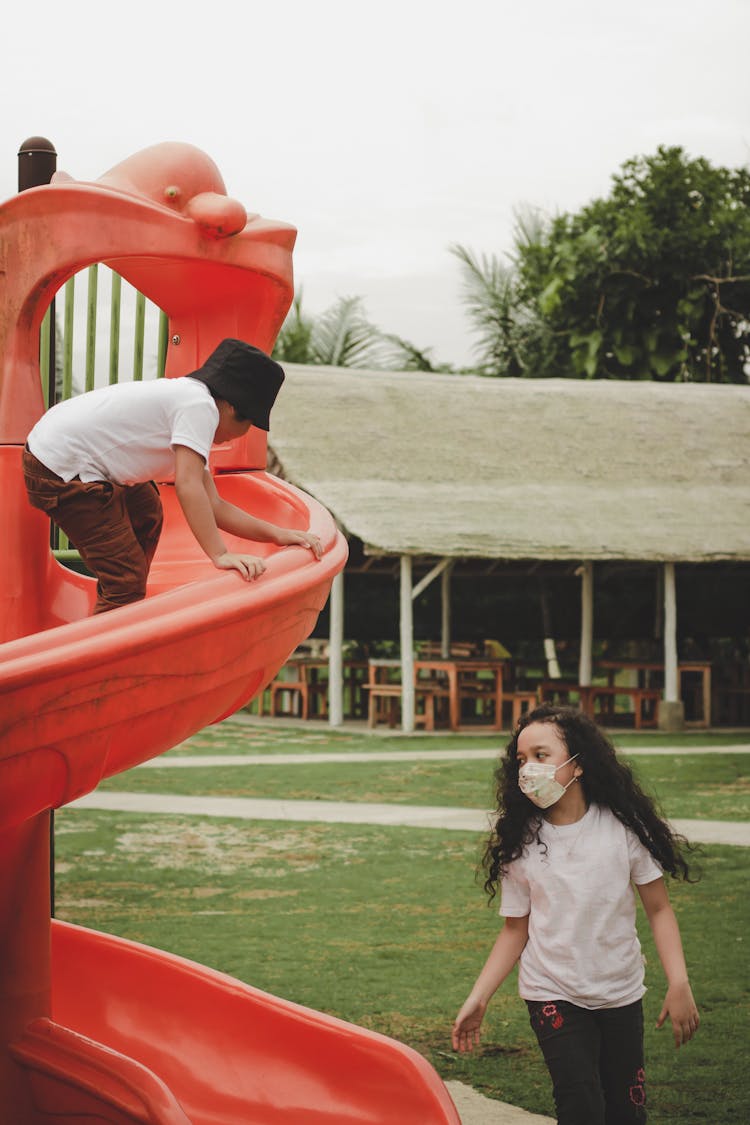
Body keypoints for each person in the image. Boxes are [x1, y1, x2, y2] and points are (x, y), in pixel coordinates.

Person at [452, 703, 700, 1125]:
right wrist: (479, 997)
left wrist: (679, 982)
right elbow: (516, 929)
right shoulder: (519, 841)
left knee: (626, 1110)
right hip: (551, 992)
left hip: (620, 991)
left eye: (541, 756)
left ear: (578, 765)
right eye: (521, 759)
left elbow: (658, 909)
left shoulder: (623, 830)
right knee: (581, 1104)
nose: (528, 768)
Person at [23, 338, 323, 614]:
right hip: (59, 466)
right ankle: (109, 630)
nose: (244, 435)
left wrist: (277, 534)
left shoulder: (190, 406)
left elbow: (215, 506)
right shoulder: (199, 406)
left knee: (147, 511)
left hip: (69, 454)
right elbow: (187, 486)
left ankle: (125, 604)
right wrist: (219, 554)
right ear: (232, 407)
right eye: (251, 424)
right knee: (125, 580)